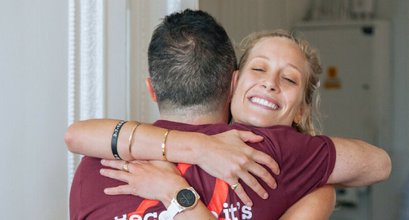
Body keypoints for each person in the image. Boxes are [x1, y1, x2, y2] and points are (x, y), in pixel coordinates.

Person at [66, 9, 391, 220]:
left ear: (152, 89)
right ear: (233, 83)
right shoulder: (280, 157)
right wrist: (200, 148)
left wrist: (175, 192)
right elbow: (378, 164)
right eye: (259, 69)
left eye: (289, 78)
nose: (269, 84)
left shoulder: (97, 165)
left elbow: (77, 136)